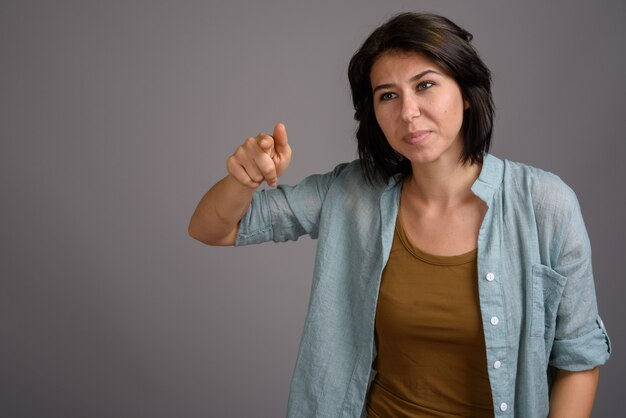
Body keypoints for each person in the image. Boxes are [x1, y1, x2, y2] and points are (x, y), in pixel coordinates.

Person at [188, 12, 611, 418]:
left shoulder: (545, 204)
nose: (407, 112)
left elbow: (579, 358)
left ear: (465, 92)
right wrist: (244, 178)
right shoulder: (350, 193)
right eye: (387, 95)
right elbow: (212, 229)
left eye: (425, 85)